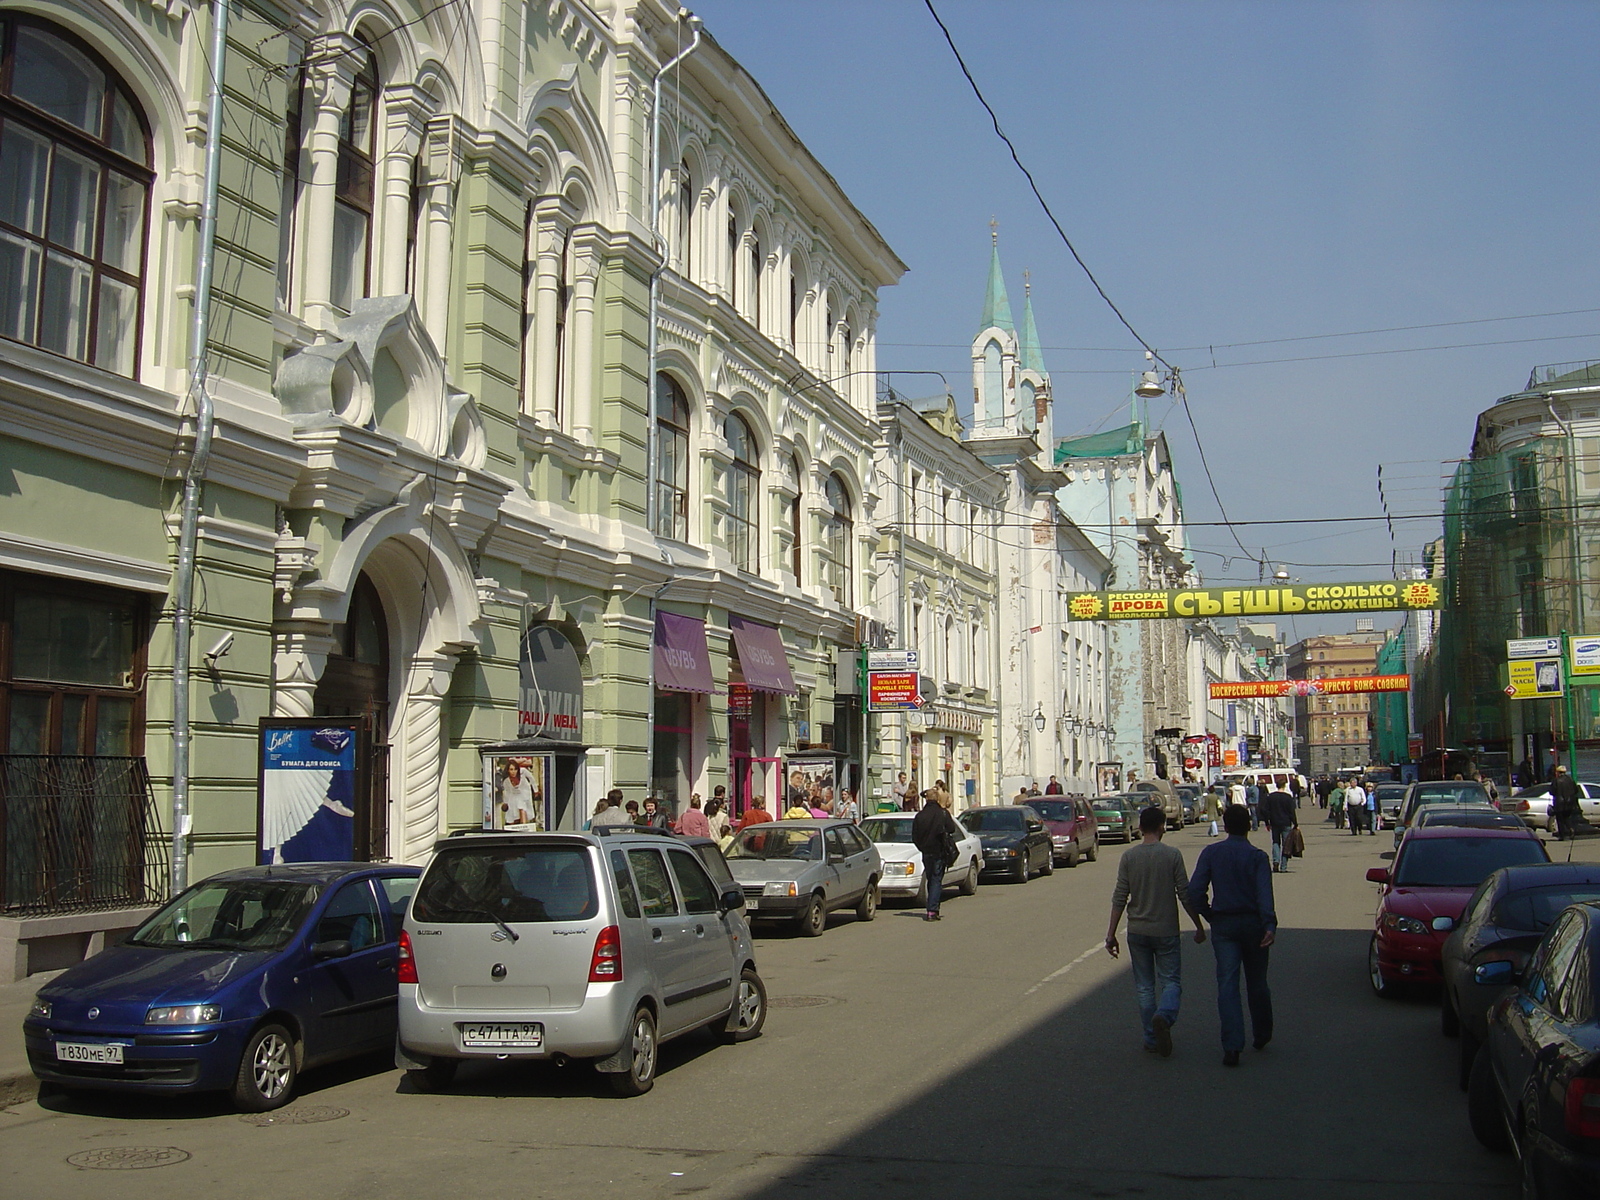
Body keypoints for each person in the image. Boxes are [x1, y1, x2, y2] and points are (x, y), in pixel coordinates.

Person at [1105, 806, 1207, 1057]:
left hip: (1137, 930)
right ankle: (1164, 1015)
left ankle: (1151, 1037)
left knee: (1144, 986)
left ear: (1140, 828)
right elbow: (1184, 893)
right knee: (1171, 981)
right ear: (1162, 826)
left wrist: (1111, 934)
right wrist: (1198, 925)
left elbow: (1119, 897)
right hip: (1166, 931)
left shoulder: (1129, 857)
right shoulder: (1172, 855)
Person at [1188, 805, 1277, 1067]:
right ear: (1249, 826)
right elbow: (1264, 895)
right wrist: (1269, 924)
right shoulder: (1257, 857)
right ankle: (1261, 1033)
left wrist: (1209, 914)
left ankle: (1232, 1046)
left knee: (1227, 983)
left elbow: (1195, 890)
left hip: (1224, 924)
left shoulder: (1212, 852)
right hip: (1253, 923)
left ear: (1225, 826)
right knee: (1257, 981)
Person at [912, 787, 963, 921]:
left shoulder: (920, 816)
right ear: (937, 799)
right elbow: (951, 829)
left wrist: (922, 847)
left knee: (931, 878)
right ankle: (932, 911)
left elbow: (915, 836)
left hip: (926, 852)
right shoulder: (942, 813)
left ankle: (932, 906)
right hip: (939, 851)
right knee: (936, 880)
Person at [1261, 783, 1298, 873]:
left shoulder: (1271, 797)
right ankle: (1283, 866)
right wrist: (1295, 824)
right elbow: (1291, 812)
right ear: (1284, 786)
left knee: (1275, 842)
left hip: (1274, 823)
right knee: (1286, 845)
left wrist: (1267, 822)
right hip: (1286, 823)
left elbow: (1265, 810)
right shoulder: (1288, 797)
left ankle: (1275, 861)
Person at [1552, 765, 1582, 840]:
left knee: (1560, 820)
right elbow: (1576, 790)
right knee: (1567, 818)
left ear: (1558, 772)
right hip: (1569, 803)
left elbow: (1552, 791)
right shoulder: (1570, 780)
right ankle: (1571, 829)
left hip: (1559, 803)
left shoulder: (1556, 781)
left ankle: (1562, 835)